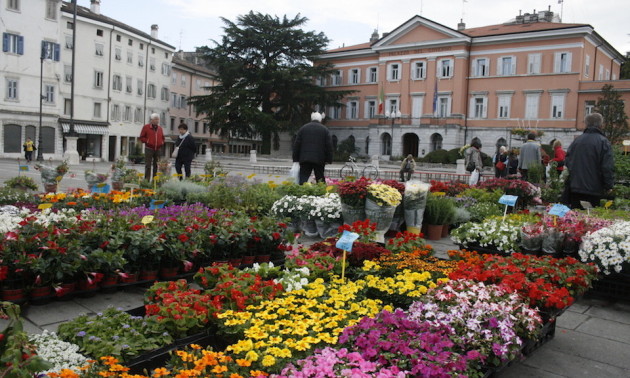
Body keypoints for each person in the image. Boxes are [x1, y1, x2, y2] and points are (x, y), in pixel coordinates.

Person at [564, 113, 614, 209]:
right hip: (594, 188)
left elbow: (568, 161)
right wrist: (608, 185)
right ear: (601, 125)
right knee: (591, 219)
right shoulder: (603, 142)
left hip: (575, 187)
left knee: (575, 218)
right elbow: (607, 166)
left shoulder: (577, 141)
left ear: (586, 124)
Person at [292, 112, 333, 184]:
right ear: (320, 120)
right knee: (320, 178)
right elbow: (329, 146)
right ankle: (321, 193)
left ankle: (301, 193)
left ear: (311, 119)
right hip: (319, 159)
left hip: (305, 158)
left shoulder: (303, 128)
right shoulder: (324, 130)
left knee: (303, 178)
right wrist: (328, 159)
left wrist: (295, 158)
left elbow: (297, 144)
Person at [139, 113, 165, 182]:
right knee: (148, 165)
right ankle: (147, 180)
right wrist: (147, 141)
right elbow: (141, 137)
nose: (157, 121)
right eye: (156, 119)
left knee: (157, 165)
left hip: (158, 149)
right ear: (151, 120)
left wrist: (162, 142)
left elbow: (162, 137)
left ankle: (155, 180)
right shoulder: (146, 127)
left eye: (158, 119)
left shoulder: (160, 128)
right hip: (149, 149)